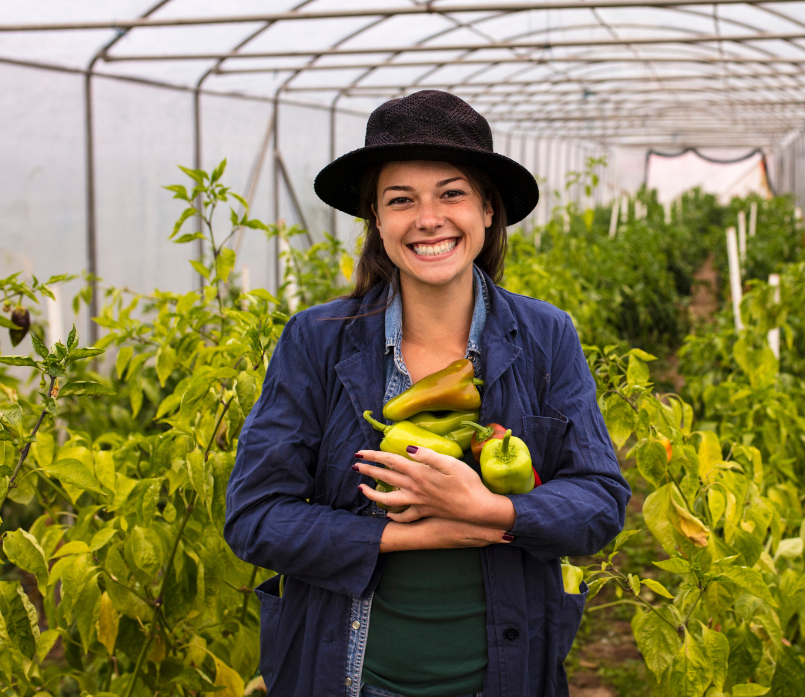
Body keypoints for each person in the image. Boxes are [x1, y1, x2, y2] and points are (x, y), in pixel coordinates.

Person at [224, 90, 630, 697]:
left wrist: (488, 510)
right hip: (349, 675)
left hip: (504, 676)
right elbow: (255, 517)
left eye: (451, 193)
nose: (428, 218)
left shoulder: (546, 336)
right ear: (377, 220)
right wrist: (418, 533)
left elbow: (600, 502)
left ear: (488, 210)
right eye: (400, 200)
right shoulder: (317, 341)